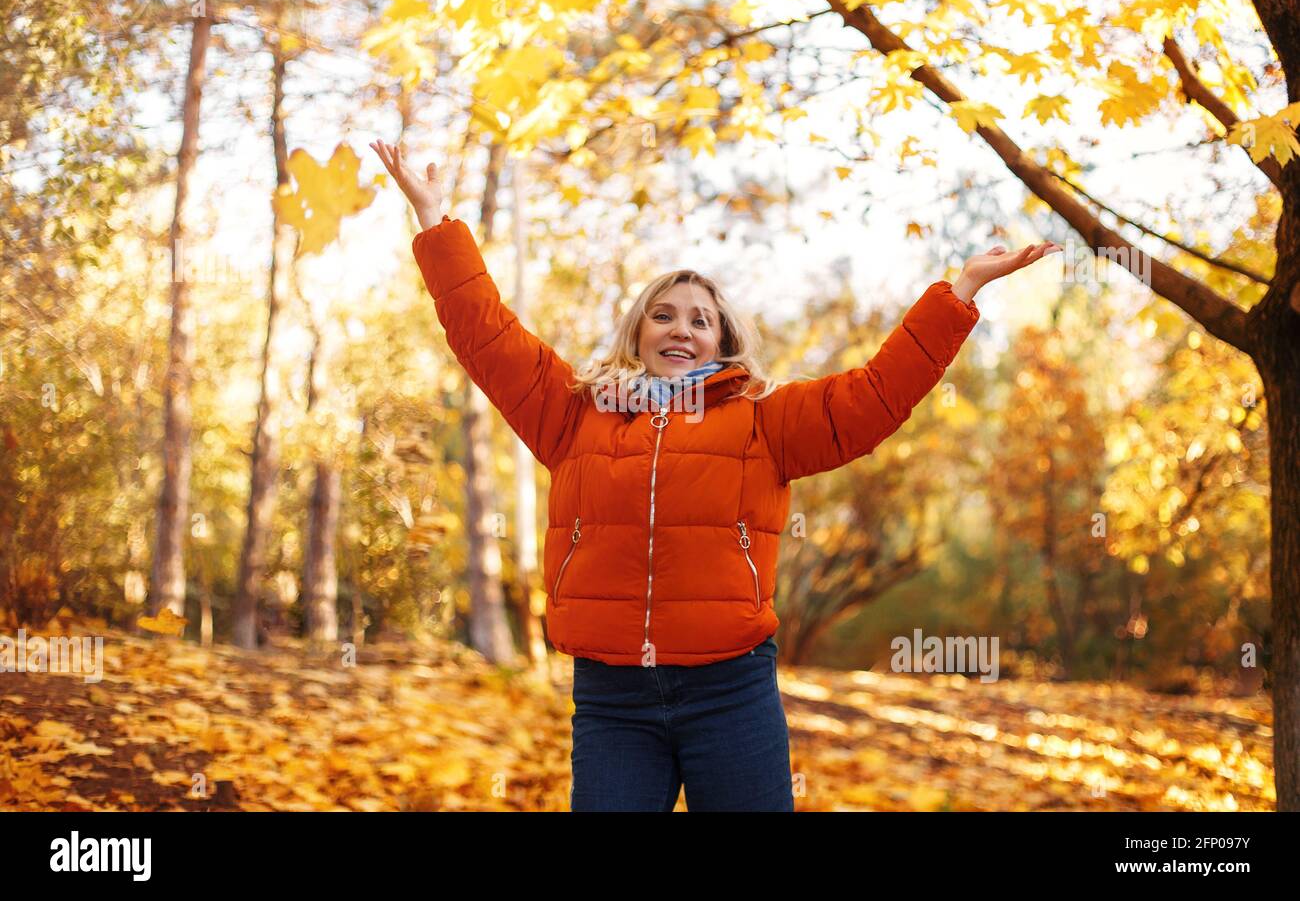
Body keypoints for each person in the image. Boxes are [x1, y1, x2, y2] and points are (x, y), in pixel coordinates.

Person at [370, 138, 1061, 812]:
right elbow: (487, 335)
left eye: (700, 319)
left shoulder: (765, 421)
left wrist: (960, 289)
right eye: (662, 315)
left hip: (731, 691)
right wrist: (435, 220)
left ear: (722, 341)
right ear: (638, 332)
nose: (681, 328)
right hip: (612, 699)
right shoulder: (574, 413)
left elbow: (877, 393)